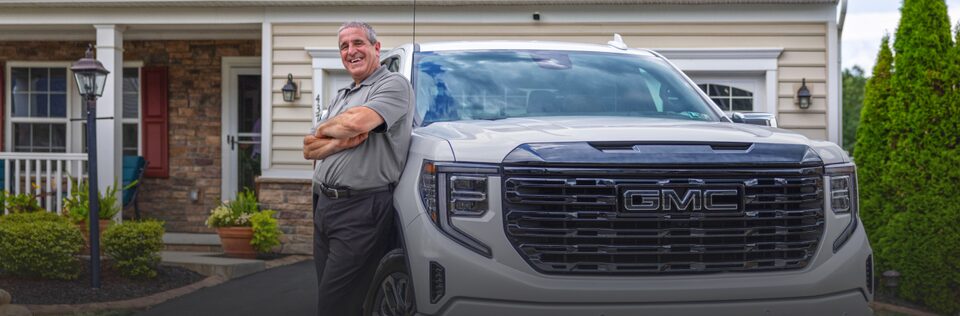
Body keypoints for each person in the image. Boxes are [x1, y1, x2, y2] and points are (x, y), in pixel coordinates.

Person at [302, 21, 414, 316]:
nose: (351, 51)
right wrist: (339, 142)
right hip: (325, 207)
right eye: (344, 46)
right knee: (336, 296)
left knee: (334, 303)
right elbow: (308, 147)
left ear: (376, 48)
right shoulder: (342, 96)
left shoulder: (393, 85)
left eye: (358, 43)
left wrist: (335, 129)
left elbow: (355, 124)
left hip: (361, 209)